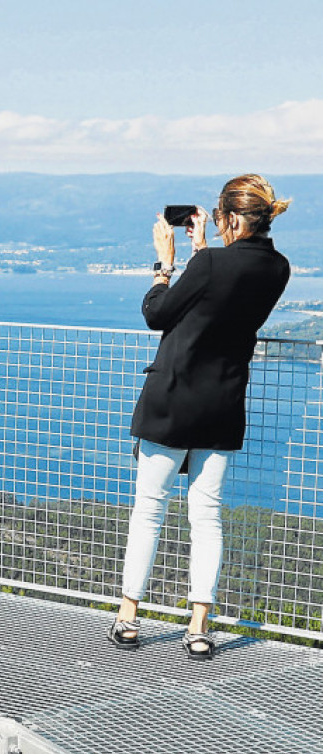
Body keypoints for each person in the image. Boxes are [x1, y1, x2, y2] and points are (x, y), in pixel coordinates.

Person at [108, 174, 291, 660]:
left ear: (229, 217)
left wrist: (165, 265)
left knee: (149, 508)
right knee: (206, 516)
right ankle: (199, 626)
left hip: (172, 399)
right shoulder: (279, 268)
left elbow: (158, 313)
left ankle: (128, 618)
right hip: (223, 403)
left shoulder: (208, 263)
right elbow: (218, 301)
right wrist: (203, 253)